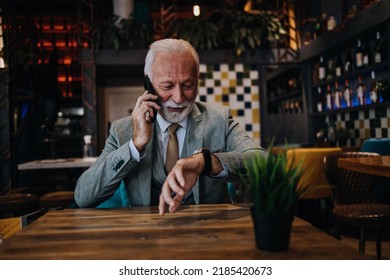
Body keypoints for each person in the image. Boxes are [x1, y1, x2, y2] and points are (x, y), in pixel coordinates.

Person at [74, 38, 267, 215]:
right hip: (146, 236)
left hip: (207, 233)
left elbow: (264, 163)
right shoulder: (122, 130)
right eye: (167, 87)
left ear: (197, 80)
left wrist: (207, 162)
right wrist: (135, 145)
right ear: (148, 84)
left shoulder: (219, 119)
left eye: (188, 85)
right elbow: (83, 196)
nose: (179, 97)